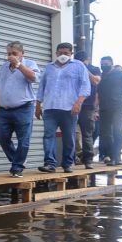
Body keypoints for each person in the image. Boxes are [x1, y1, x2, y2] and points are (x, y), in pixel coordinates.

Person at [35, 43, 91, 173]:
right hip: (50, 107)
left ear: (71, 53)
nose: (62, 55)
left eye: (66, 53)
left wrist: (79, 102)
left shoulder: (79, 66)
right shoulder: (49, 67)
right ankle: (50, 164)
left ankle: (68, 163)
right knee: (48, 136)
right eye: (60, 53)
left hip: (69, 108)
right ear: (56, 53)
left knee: (69, 137)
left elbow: (85, 86)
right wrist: (38, 104)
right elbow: (42, 86)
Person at [0, 41, 40, 178]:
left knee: (23, 139)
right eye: (8, 54)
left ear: (22, 54)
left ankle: (17, 167)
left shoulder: (30, 64)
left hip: (24, 108)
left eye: (14, 53)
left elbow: (33, 78)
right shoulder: (4, 67)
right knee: (1, 136)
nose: (10, 56)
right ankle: (18, 159)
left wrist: (19, 65)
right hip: (5, 110)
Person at [97, 56, 122, 166]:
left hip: (118, 107)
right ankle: (111, 156)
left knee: (117, 131)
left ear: (112, 63)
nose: (104, 66)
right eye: (102, 64)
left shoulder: (120, 74)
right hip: (104, 109)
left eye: (106, 64)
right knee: (106, 134)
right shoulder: (101, 77)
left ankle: (117, 157)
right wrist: (95, 110)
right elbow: (97, 95)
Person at [73, 50, 101, 169]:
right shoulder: (72, 68)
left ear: (87, 60)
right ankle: (74, 158)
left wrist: (84, 68)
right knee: (72, 134)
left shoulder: (94, 69)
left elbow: (95, 81)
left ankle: (88, 160)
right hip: (72, 105)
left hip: (87, 107)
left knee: (87, 134)